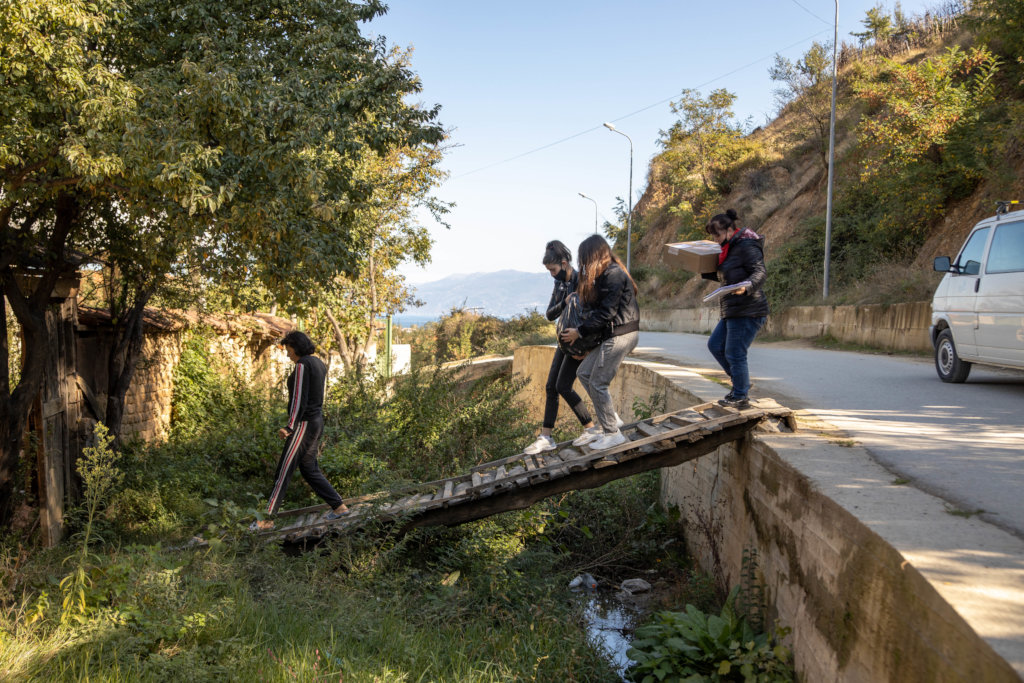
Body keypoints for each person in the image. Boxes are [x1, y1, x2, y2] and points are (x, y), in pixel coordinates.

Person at [254, 331, 348, 531]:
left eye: (288, 349)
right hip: (316, 421)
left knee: (283, 471)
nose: (288, 354)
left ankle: (266, 519)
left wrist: (290, 426)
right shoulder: (319, 363)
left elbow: (299, 399)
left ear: (296, 347)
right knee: (309, 469)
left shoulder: (302, 366)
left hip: (303, 424)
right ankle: (339, 507)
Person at [559, 234, 640, 451]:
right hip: (612, 335)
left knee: (597, 382)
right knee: (584, 372)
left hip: (622, 335)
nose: (583, 265)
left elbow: (607, 313)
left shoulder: (613, 274)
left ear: (595, 256)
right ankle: (611, 417)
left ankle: (613, 433)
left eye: (585, 259)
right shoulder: (605, 275)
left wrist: (579, 332)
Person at [523, 241, 599, 455]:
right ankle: (546, 436)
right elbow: (549, 314)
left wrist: (588, 345)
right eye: (548, 271)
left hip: (579, 343)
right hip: (564, 343)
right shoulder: (560, 285)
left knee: (563, 386)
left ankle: (591, 428)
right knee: (551, 386)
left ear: (564, 263)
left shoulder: (581, 281)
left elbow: (593, 315)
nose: (551, 275)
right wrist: (565, 302)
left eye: (553, 270)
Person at [702, 209, 769, 409]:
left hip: (749, 309)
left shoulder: (746, 245)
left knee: (735, 353)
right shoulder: (727, 250)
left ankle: (740, 395)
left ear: (731, 230)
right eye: (713, 236)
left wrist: (747, 286)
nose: (716, 239)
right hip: (733, 310)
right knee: (715, 345)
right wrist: (705, 270)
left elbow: (760, 272)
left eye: (718, 235)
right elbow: (728, 275)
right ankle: (741, 384)